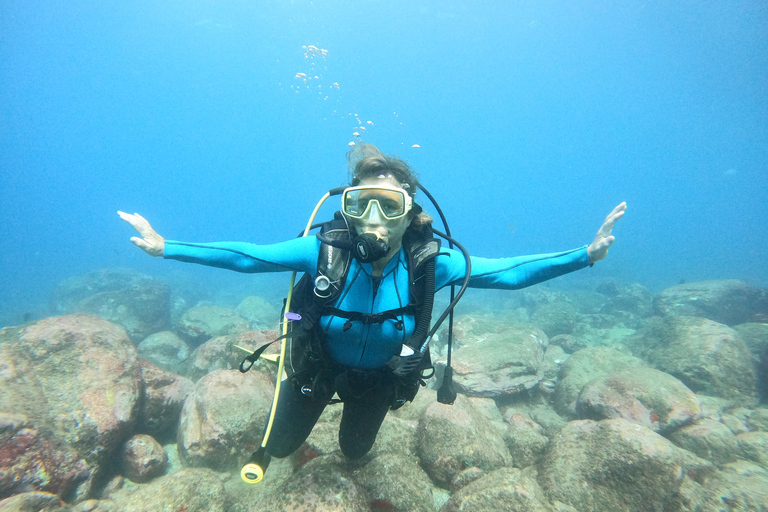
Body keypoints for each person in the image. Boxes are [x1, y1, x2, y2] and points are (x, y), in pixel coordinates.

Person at [119, 143, 626, 463]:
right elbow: (247, 257)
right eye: (361, 205)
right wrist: (167, 246)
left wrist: (585, 255)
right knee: (277, 448)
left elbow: (509, 272)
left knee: (354, 451)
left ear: (411, 214)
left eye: (391, 207)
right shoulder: (324, 252)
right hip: (317, 367)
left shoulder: (431, 264)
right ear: (348, 209)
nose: (375, 221)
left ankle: (354, 433)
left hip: (380, 380)